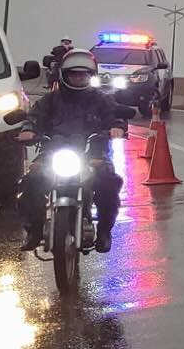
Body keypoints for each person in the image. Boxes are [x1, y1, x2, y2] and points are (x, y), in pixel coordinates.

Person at [18, 48, 127, 253]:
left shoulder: (101, 100)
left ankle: (104, 231)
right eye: (74, 74)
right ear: (64, 75)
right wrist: (28, 130)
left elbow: (115, 115)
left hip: (93, 154)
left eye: (83, 74)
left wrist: (117, 127)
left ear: (91, 75)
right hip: (52, 154)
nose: (79, 78)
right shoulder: (50, 100)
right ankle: (34, 229)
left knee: (109, 182)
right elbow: (33, 117)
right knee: (31, 181)